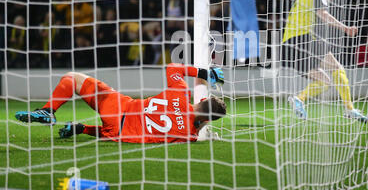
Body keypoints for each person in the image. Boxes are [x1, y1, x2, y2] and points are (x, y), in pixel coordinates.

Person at [15, 63, 226, 143]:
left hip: (118, 106)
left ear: (203, 99)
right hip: (117, 131)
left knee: (71, 78)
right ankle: (77, 127)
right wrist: (84, 129)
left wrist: (205, 73)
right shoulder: (187, 136)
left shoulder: (180, 94)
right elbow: (197, 124)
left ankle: (47, 111)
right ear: (208, 120)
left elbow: (172, 67)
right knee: (128, 129)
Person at [281, 0, 368, 122]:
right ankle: (350, 109)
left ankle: (299, 99)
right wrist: (345, 28)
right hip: (304, 40)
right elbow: (323, 14)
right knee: (337, 68)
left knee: (325, 82)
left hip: (288, 48)